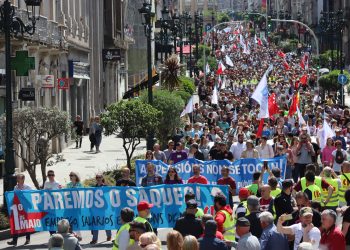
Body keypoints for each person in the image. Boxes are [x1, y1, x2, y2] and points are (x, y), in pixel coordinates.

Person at [7, 174, 32, 246]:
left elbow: (30, 197)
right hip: (17, 208)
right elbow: (14, 197)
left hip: (25, 208)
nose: (17, 180)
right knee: (16, 223)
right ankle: (14, 241)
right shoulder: (15, 187)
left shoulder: (28, 187)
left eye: (19, 178)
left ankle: (28, 239)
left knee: (25, 223)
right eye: (17, 178)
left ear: (23, 179)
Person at [90, 174, 112, 244]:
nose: (98, 179)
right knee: (96, 223)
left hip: (104, 208)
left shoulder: (105, 187)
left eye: (99, 177)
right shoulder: (94, 187)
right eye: (97, 177)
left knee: (105, 222)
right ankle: (95, 239)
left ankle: (109, 235)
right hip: (95, 208)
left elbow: (108, 196)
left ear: (102, 178)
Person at [44, 170, 62, 235]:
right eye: (49, 175)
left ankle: (57, 232)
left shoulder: (57, 183)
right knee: (50, 219)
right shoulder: (46, 183)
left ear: (54, 175)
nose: (51, 176)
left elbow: (60, 193)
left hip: (55, 203)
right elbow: (44, 192)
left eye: (52, 175)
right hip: (48, 203)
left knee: (55, 218)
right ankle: (52, 234)